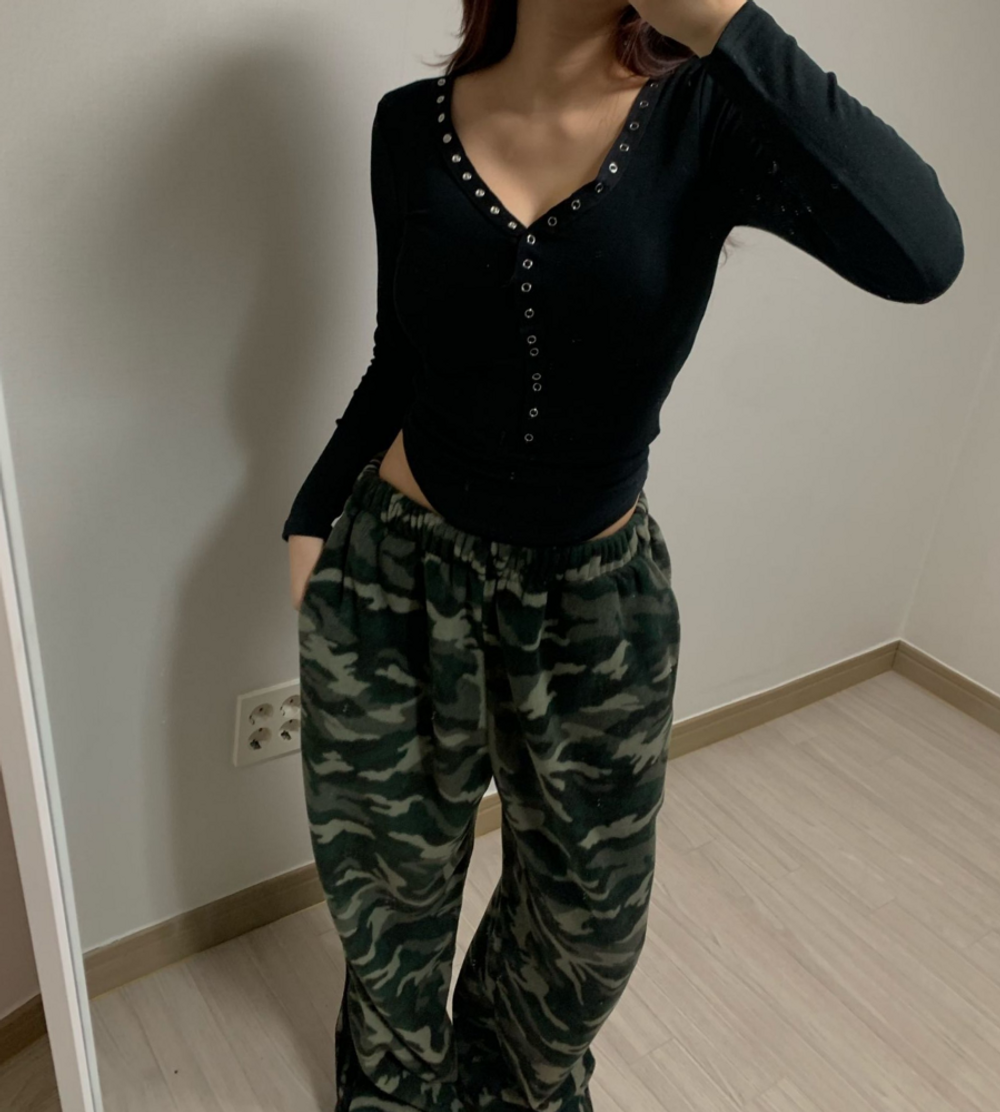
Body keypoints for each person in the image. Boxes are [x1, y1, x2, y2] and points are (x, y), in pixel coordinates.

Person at [285, 2, 963, 1109]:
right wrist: (311, 517)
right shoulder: (408, 124)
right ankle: (393, 1083)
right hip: (394, 576)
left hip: (595, 604)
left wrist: (726, 24)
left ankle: (514, 1083)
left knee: (585, 919)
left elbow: (923, 252)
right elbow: (396, 355)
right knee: (387, 890)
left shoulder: (706, 118)